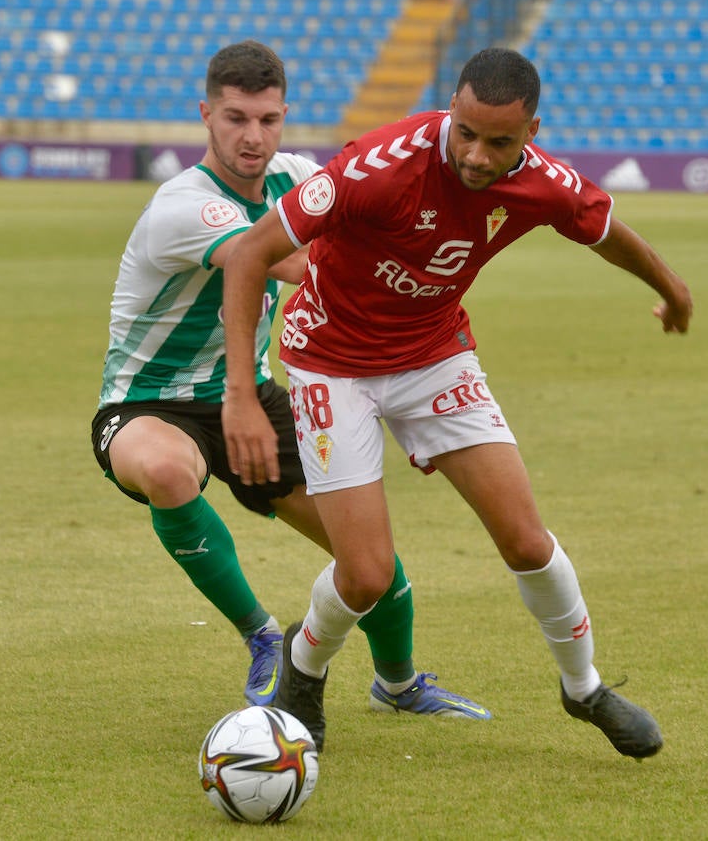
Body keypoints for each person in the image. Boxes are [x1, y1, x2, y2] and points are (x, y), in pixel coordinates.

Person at [221, 47, 692, 757]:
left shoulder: (543, 182)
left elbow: (605, 230)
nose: (475, 155)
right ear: (453, 105)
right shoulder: (376, 167)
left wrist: (672, 287)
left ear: (531, 131)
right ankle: (305, 668)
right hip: (330, 362)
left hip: (435, 354)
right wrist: (239, 395)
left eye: (498, 141)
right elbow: (250, 253)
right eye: (465, 131)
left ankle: (584, 688)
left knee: (527, 540)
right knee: (367, 572)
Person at [91, 40, 490, 720]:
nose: (253, 137)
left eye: (268, 120)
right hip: (147, 402)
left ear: (284, 118)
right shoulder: (182, 206)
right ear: (206, 115)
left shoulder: (300, 177)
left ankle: (397, 683)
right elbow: (294, 263)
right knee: (165, 469)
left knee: (367, 558)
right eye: (236, 118)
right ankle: (263, 636)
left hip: (256, 393)